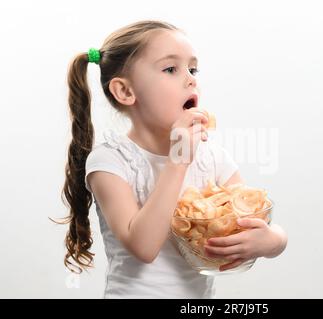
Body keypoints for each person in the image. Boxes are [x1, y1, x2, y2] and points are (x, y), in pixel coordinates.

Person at [60, 20, 287, 298]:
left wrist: (273, 242)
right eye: (171, 69)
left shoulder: (210, 156)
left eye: (193, 69)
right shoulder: (110, 161)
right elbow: (144, 247)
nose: (191, 78)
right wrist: (178, 160)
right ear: (126, 92)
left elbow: (254, 215)